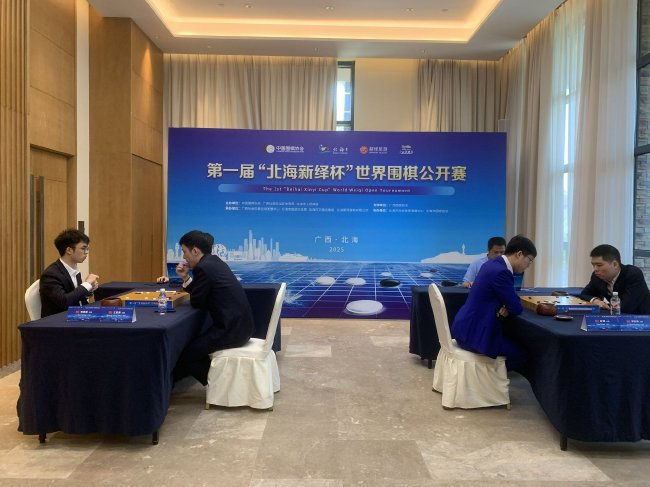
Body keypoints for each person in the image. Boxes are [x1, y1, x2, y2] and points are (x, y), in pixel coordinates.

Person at [173, 230, 254, 385]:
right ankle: (221, 380)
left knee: (185, 355)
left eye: (184, 252)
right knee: (195, 348)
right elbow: (202, 293)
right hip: (242, 327)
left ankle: (220, 386)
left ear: (195, 251)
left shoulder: (203, 268)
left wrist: (189, 283)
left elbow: (197, 301)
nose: (184, 257)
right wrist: (186, 277)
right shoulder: (214, 262)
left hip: (231, 331)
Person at [451, 235, 537, 370]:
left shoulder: (491, 264)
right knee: (523, 354)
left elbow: (505, 299)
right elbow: (515, 307)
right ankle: (490, 378)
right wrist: (508, 305)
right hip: (475, 336)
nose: (528, 266)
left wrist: (507, 304)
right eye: (529, 260)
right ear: (519, 254)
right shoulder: (502, 272)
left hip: (464, 328)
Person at [39, 228, 100, 318]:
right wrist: (86, 284)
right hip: (59, 321)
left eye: (87, 249)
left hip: (76, 315)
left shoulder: (74, 269)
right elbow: (65, 301)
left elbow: (74, 296)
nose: (86, 253)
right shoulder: (50, 275)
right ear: (69, 250)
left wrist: (89, 290)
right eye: (83, 249)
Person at [579, 244, 650, 314]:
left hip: (642, 317)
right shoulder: (597, 276)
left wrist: (606, 305)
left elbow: (626, 307)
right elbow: (585, 294)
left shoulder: (632, 274)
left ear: (615, 264)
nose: (595, 269)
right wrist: (596, 300)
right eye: (593, 265)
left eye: (599, 265)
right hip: (616, 316)